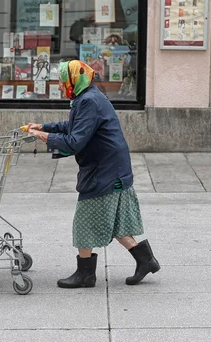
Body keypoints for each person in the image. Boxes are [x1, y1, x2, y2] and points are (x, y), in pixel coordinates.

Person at [26, 60, 160, 288]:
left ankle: (85, 274)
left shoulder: (88, 101)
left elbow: (75, 141)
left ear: (74, 79)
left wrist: (43, 137)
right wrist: (44, 127)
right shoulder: (87, 96)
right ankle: (145, 260)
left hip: (106, 171)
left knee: (84, 221)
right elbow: (73, 126)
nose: (59, 86)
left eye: (61, 80)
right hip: (112, 168)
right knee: (116, 223)